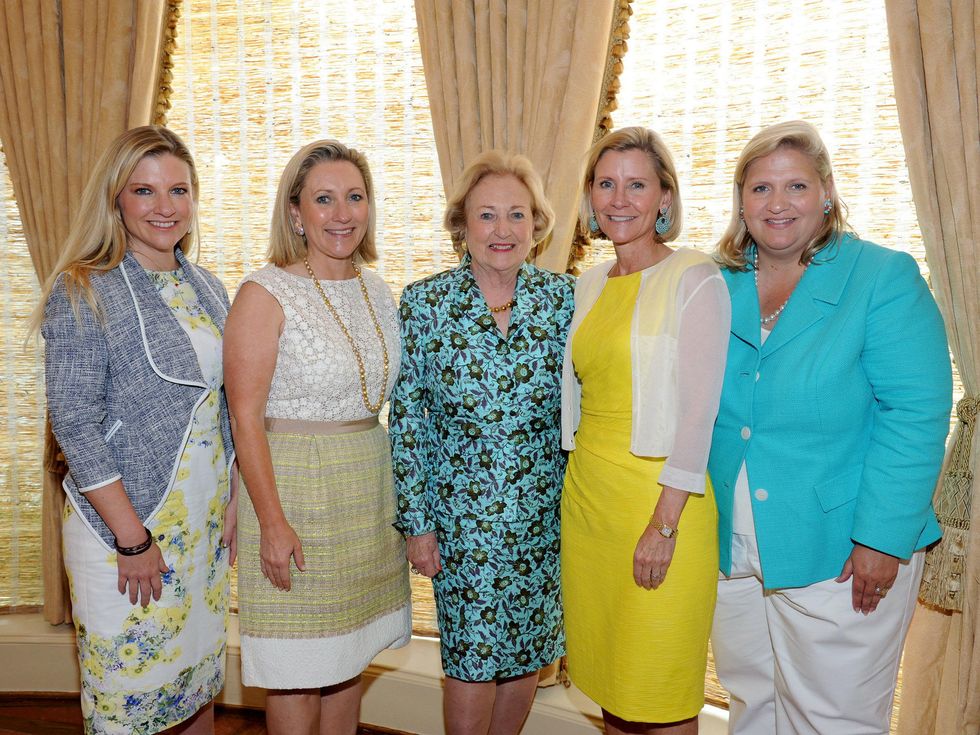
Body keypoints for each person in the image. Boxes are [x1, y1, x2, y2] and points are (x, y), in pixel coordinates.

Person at [709, 120, 952, 734]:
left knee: (831, 722)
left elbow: (916, 415)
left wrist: (881, 538)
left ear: (827, 193)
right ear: (741, 201)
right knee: (752, 707)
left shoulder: (882, 279)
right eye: (760, 188)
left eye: (796, 185)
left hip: (840, 548)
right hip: (732, 551)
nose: (778, 203)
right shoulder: (716, 282)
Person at [37, 125, 236, 735]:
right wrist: (132, 538)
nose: (164, 206)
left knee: (195, 686)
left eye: (179, 189)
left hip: (201, 523)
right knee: (131, 703)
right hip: (128, 526)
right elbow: (75, 423)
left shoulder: (205, 286)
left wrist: (234, 499)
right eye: (144, 190)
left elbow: (225, 406)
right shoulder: (82, 288)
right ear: (116, 199)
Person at [224, 139, 410, 735]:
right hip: (295, 493)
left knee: (347, 664)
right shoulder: (265, 291)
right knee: (297, 670)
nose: (341, 213)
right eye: (323, 199)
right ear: (295, 213)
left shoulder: (377, 290)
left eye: (354, 197)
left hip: (366, 495)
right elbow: (244, 416)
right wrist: (271, 522)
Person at [389, 150, 573, 735]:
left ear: (537, 225)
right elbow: (409, 421)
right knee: (470, 660)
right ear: (462, 226)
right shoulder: (425, 303)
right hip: (459, 524)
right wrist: (417, 524)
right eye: (486, 215)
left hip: (544, 517)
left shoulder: (565, 301)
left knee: (526, 652)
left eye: (516, 215)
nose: (502, 230)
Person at [560, 127, 730, 735]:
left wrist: (663, 525)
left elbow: (698, 414)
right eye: (606, 183)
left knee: (660, 692)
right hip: (589, 507)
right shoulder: (586, 284)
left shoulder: (695, 276)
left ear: (664, 197)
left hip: (663, 507)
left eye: (637, 184)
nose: (619, 198)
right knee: (612, 688)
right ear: (590, 196)